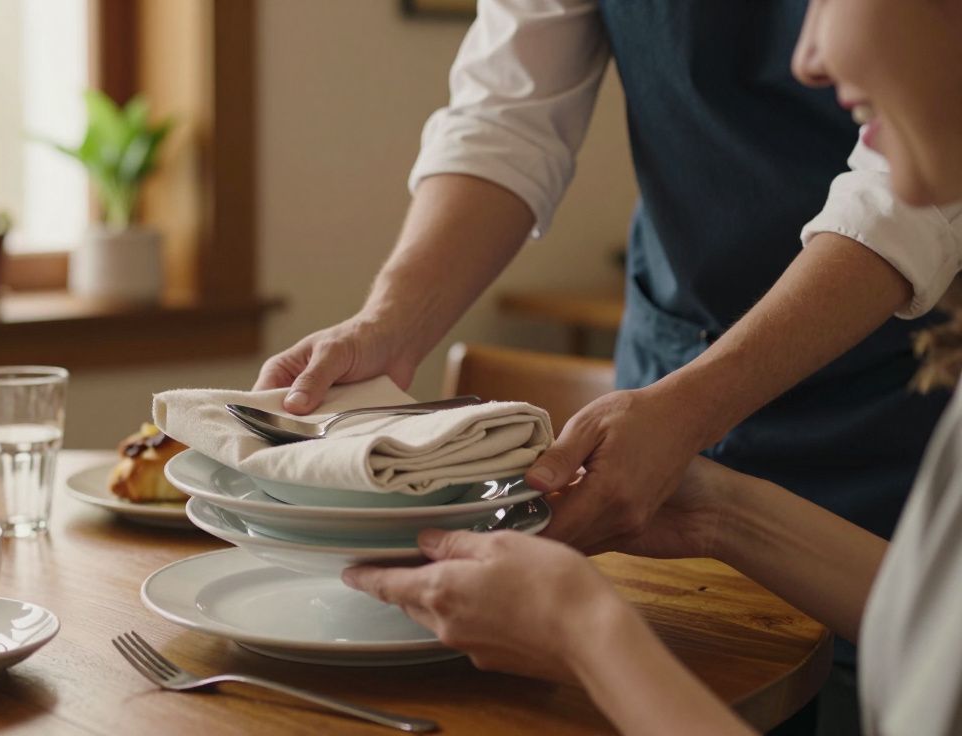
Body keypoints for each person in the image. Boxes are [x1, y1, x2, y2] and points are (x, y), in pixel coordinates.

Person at [343, 0, 962, 732]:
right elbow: (936, 626)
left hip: (882, 430)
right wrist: (719, 512)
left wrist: (586, 631)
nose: (808, 58)